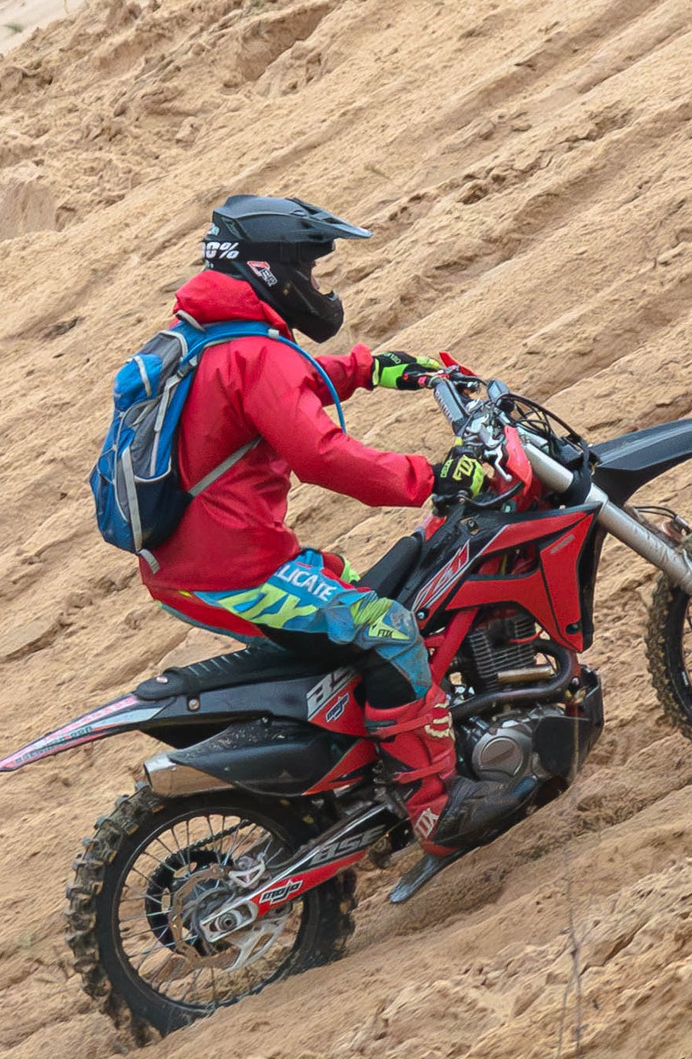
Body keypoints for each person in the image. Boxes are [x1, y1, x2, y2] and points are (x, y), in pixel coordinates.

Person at [142, 194, 503, 845]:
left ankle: (367, 764)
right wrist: (431, 475)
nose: (315, 285)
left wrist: (365, 369)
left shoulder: (203, 335)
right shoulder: (256, 353)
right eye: (307, 271)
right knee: (390, 630)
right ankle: (432, 804)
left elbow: (274, 393)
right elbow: (323, 455)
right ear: (270, 271)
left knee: (369, 594)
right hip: (238, 570)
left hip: (190, 561)